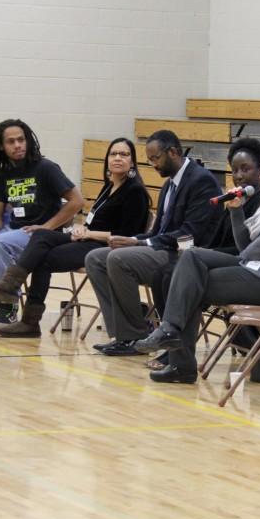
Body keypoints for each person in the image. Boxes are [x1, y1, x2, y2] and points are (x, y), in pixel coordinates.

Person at [133, 148, 260, 384]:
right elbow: (247, 250)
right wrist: (236, 210)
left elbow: (252, 252)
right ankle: (171, 334)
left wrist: (246, 242)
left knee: (192, 284)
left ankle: (179, 359)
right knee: (191, 258)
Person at [0, 138, 151, 337]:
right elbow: (94, 221)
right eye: (113, 154)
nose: (118, 158)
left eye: (124, 154)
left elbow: (127, 235)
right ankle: (11, 285)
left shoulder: (135, 192)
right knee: (41, 233)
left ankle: (29, 320)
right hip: (87, 239)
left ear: (133, 162)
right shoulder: (108, 186)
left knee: (44, 260)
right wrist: (80, 227)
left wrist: (89, 233)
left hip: (108, 247)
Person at [86, 129, 221, 355]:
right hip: (163, 249)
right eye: (149, 160)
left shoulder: (201, 181)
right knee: (95, 258)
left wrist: (141, 245)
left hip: (187, 256)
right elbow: (158, 231)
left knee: (119, 259)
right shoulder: (168, 185)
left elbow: (191, 234)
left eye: (156, 158)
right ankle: (124, 334)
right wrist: (133, 239)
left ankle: (136, 335)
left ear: (174, 152)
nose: (153, 165)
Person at [145, 137, 260, 370]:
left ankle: (177, 349)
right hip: (222, 258)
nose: (239, 175)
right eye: (235, 170)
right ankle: (170, 338)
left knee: (179, 277)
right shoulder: (235, 200)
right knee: (163, 272)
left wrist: (205, 254)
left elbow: (248, 249)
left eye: (246, 169)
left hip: (242, 266)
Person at [0, 119, 84, 326]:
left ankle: (8, 306)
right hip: (12, 231)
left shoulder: (46, 168)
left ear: (28, 141)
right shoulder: (3, 173)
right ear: (2, 147)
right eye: (11, 142)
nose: (17, 145)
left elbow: (77, 201)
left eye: (21, 140)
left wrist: (46, 228)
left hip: (40, 236)